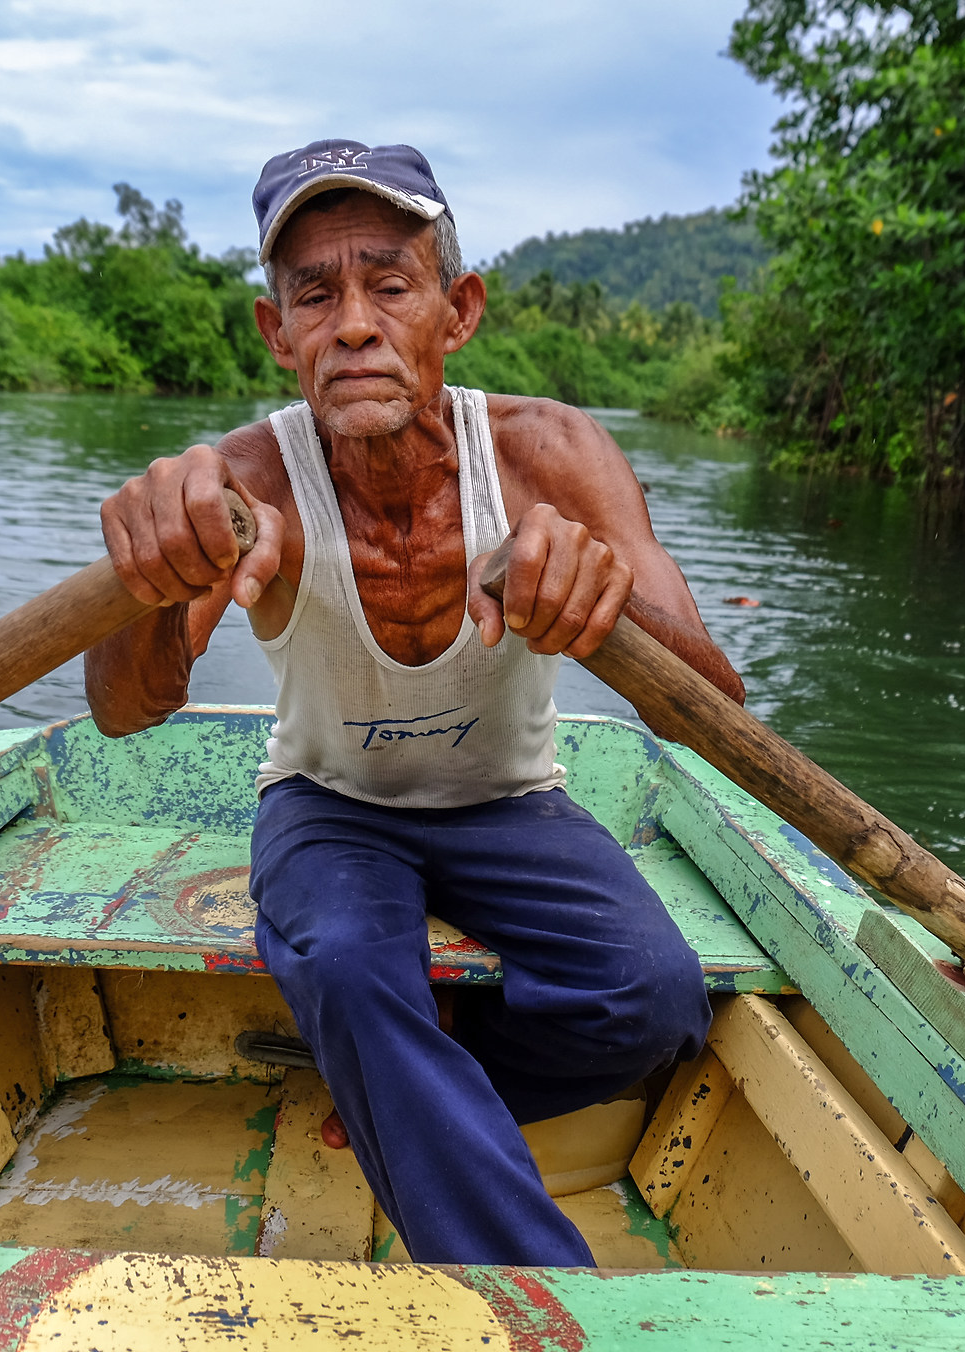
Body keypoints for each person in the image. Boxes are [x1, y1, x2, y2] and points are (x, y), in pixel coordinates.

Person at [86, 139, 747, 1267]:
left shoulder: (549, 453)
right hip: (328, 803)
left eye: (390, 285)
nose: (353, 325)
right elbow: (125, 710)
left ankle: (407, 1081)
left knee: (655, 999)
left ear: (458, 310)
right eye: (315, 295)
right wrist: (148, 581)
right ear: (276, 331)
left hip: (512, 801)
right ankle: (543, 1299)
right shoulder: (248, 478)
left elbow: (712, 712)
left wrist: (603, 596)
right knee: (348, 962)